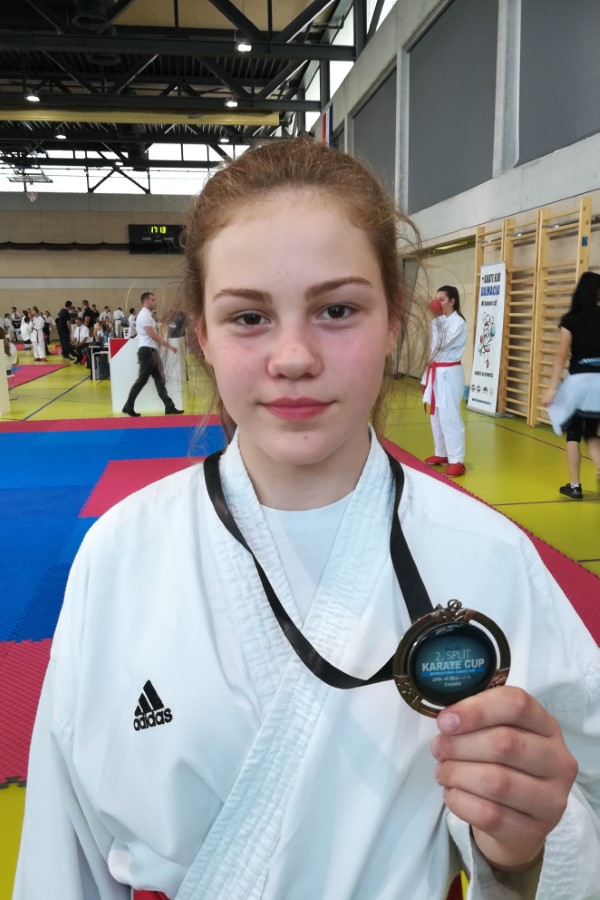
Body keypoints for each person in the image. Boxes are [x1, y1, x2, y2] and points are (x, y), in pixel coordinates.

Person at [13, 138, 600, 900]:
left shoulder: (488, 556)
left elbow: (579, 810)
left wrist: (521, 851)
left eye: (337, 310)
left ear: (393, 321)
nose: (293, 356)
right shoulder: (120, 554)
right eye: (249, 316)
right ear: (203, 336)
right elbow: (62, 857)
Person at [542, 270, 600, 499]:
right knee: (592, 433)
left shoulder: (571, 319)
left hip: (580, 382)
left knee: (574, 433)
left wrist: (552, 389)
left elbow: (562, 354)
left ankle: (575, 486)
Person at [421, 286, 468, 477]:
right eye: (436, 299)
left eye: (441, 300)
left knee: (450, 416)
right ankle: (442, 453)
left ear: (452, 301)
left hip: (449, 373)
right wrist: (425, 378)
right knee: (436, 416)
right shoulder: (438, 321)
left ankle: (457, 460)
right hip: (436, 371)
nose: (437, 303)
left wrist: (438, 319)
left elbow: (443, 343)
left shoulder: (458, 323)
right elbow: (433, 348)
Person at [121, 291, 183, 417]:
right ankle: (128, 406)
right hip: (147, 352)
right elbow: (152, 335)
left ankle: (169, 406)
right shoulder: (144, 315)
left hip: (150, 351)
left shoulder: (148, 315)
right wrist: (168, 346)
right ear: (146, 301)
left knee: (160, 379)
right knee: (142, 380)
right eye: (153, 300)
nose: (155, 302)